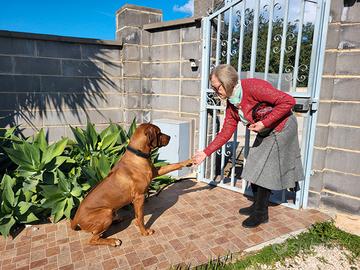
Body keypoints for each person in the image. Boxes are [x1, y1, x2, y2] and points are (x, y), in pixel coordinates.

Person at [193, 64, 304, 228]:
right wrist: (205, 153)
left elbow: (288, 101)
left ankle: (261, 213)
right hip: (266, 130)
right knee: (253, 165)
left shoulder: (253, 87)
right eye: (213, 88)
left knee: (264, 169)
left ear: (228, 82)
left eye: (217, 88)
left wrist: (263, 122)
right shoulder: (232, 104)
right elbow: (225, 132)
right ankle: (256, 205)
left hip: (282, 128)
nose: (216, 92)